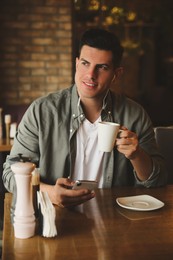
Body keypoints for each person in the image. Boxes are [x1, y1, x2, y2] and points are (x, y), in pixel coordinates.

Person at [3, 28, 167, 208]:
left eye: (102, 67)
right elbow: (11, 174)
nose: (90, 75)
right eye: (85, 63)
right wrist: (49, 193)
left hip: (115, 220)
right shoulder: (41, 111)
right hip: (55, 218)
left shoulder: (135, 114)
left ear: (116, 74)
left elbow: (157, 182)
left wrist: (137, 155)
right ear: (76, 63)